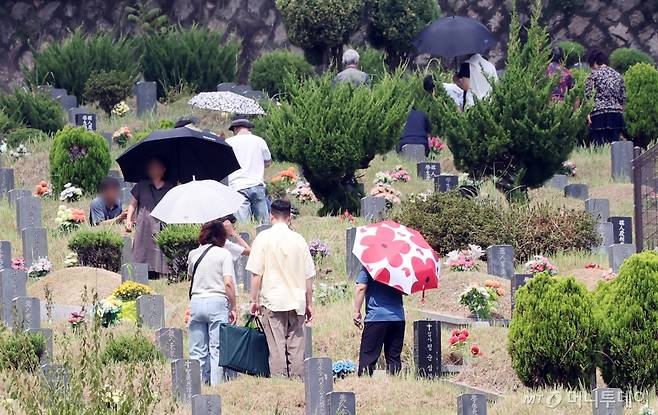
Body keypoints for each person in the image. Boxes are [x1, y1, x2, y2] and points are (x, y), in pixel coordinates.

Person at [246, 199, 315, 378]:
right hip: (297, 300)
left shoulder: (263, 238)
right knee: (296, 348)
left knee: (276, 347)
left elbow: (256, 274)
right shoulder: (299, 240)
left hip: (273, 299)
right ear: (290, 217)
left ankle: (280, 383)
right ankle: (298, 383)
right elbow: (309, 276)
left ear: (271, 216)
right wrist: (309, 303)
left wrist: (254, 300)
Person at [187, 219, 237, 386]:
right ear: (222, 236)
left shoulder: (193, 254)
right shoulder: (224, 254)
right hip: (217, 301)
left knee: (197, 349)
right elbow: (228, 282)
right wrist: (234, 305)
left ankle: (199, 385)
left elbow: (190, 277)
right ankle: (216, 386)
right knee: (216, 348)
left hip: (197, 301)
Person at [125, 157, 175, 279]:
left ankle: (163, 274)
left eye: (156, 167)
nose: (153, 169)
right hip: (144, 224)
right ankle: (140, 275)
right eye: (151, 167)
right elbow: (132, 204)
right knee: (142, 249)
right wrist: (128, 220)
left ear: (163, 169)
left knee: (161, 250)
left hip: (163, 225)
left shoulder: (170, 187)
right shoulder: (141, 185)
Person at [354, 266, 405, 376]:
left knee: (368, 357)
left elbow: (361, 287)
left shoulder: (370, 265)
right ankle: (395, 385)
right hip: (398, 317)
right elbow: (405, 290)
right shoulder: (400, 266)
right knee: (394, 358)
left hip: (376, 317)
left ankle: (364, 385)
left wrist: (356, 311)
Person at [225, 119, 272, 224]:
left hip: (237, 186)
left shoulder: (228, 142)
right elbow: (268, 162)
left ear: (236, 129)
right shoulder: (259, 140)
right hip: (257, 184)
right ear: (249, 128)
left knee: (244, 225)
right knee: (263, 224)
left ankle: (248, 240)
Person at [585, 48, 626, 145]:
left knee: (599, 146)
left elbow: (588, 96)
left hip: (598, 115)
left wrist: (587, 114)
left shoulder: (593, 75)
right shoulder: (617, 75)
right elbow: (623, 99)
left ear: (594, 62)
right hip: (616, 115)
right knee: (615, 149)